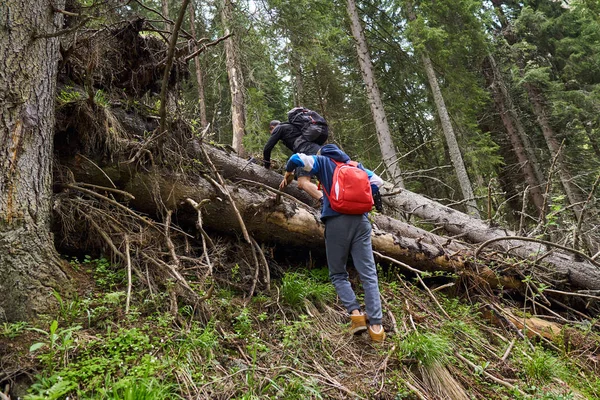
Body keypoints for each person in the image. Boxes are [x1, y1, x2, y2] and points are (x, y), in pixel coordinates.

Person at [279, 144, 386, 342]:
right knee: (368, 273)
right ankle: (377, 327)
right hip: (362, 221)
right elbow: (378, 182)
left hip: (337, 220)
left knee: (338, 273)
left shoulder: (323, 162)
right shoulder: (356, 166)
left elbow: (296, 159)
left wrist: (288, 174)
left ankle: (356, 315)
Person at [263, 120, 323, 203]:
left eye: (270, 130)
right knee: (321, 180)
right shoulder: (291, 128)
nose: (271, 133)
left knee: (302, 182)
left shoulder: (279, 128)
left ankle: (325, 201)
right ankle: (326, 199)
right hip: (317, 149)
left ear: (272, 127)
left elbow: (267, 148)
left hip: (307, 151)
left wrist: (266, 166)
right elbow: (297, 151)